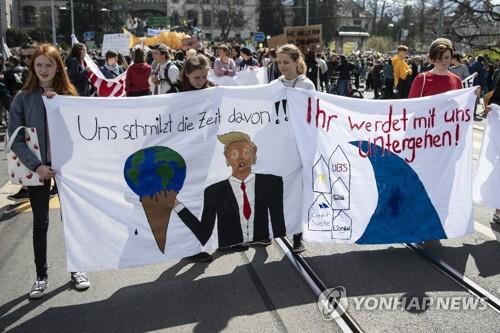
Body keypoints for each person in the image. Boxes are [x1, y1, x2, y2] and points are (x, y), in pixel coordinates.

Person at [8, 44, 91, 299]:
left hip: (66, 171)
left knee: (71, 221)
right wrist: (37, 166)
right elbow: (14, 137)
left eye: (49, 65)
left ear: (58, 68)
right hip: (38, 171)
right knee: (40, 223)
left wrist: (62, 107)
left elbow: (80, 131)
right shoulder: (23, 97)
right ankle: (41, 276)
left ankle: (77, 269)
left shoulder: (68, 95)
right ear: (33, 66)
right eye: (40, 64)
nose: (44, 69)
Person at [173, 131, 286, 250]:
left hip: (261, 247)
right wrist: (176, 204)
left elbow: (279, 225)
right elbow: (203, 234)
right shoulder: (214, 191)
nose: (241, 157)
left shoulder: (272, 183)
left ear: (254, 154)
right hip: (229, 252)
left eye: (246, 152)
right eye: (234, 154)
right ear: (226, 158)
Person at [272, 44, 315, 252]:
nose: (281, 66)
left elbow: (311, 115)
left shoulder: (306, 85)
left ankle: (298, 235)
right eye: (279, 62)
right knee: (280, 189)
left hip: (299, 146)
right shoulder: (274, 84)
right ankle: (277, 227)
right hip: (280, 145)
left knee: (297, 190)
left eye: (285, 62)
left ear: (297, 62)